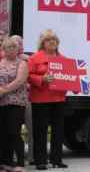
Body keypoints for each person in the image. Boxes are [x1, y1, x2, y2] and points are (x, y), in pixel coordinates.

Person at [28, 30, 69, 170]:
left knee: (59, 130)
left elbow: (70, 78)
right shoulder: (34, 58)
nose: (52, 42)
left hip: (59, 99)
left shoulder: (64, 59)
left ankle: (57, 160)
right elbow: (27, 76)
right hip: (40, 99)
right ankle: (40, 161)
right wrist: (42, 79)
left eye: (54, 39)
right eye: (48, 39)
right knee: (40, 131)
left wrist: (75, 83)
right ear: (42, 43)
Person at [0, 37, 29, 172]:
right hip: (2, 103)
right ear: (3, 50)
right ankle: (6, 162)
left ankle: (20, 163)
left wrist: (3, 90)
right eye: (8, 47)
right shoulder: (1, 63)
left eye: (14, 47)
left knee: (14, 132)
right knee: (3, 133)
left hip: (16, 102)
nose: (11, 49)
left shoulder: (22, 63)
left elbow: (20, 81)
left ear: (17, 49)